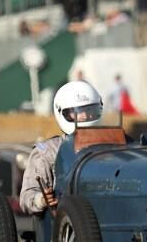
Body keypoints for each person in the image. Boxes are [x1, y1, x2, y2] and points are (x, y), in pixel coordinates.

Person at [19, 81, 103, 215]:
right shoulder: (47, 151)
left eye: (89, 110)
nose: (85, 116)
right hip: (65, 223)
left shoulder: (114, 143)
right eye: (77, 112)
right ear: (62, 113)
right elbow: (27, 196)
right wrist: (41, 199)